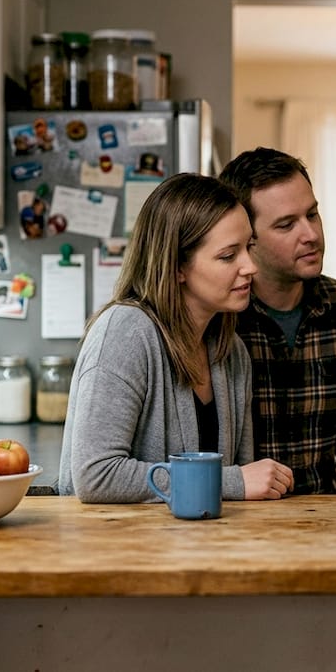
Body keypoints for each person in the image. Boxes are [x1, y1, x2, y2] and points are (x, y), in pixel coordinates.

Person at [58, 173, 295, 503]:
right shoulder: (125, 332)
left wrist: (239, 484)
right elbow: (96, 475)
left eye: (249, 248)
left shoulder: (231, 352)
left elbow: (242, 488)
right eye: (229, 256)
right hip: (115, 550)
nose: (250, 266)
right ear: (177, 267)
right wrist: (231, 482)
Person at [218, 148, 336, 494]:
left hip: (330, 521)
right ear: (246, 238)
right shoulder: (221, 318)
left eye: (312, 215)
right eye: (286, 225)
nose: (310, 234)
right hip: (238, 521)